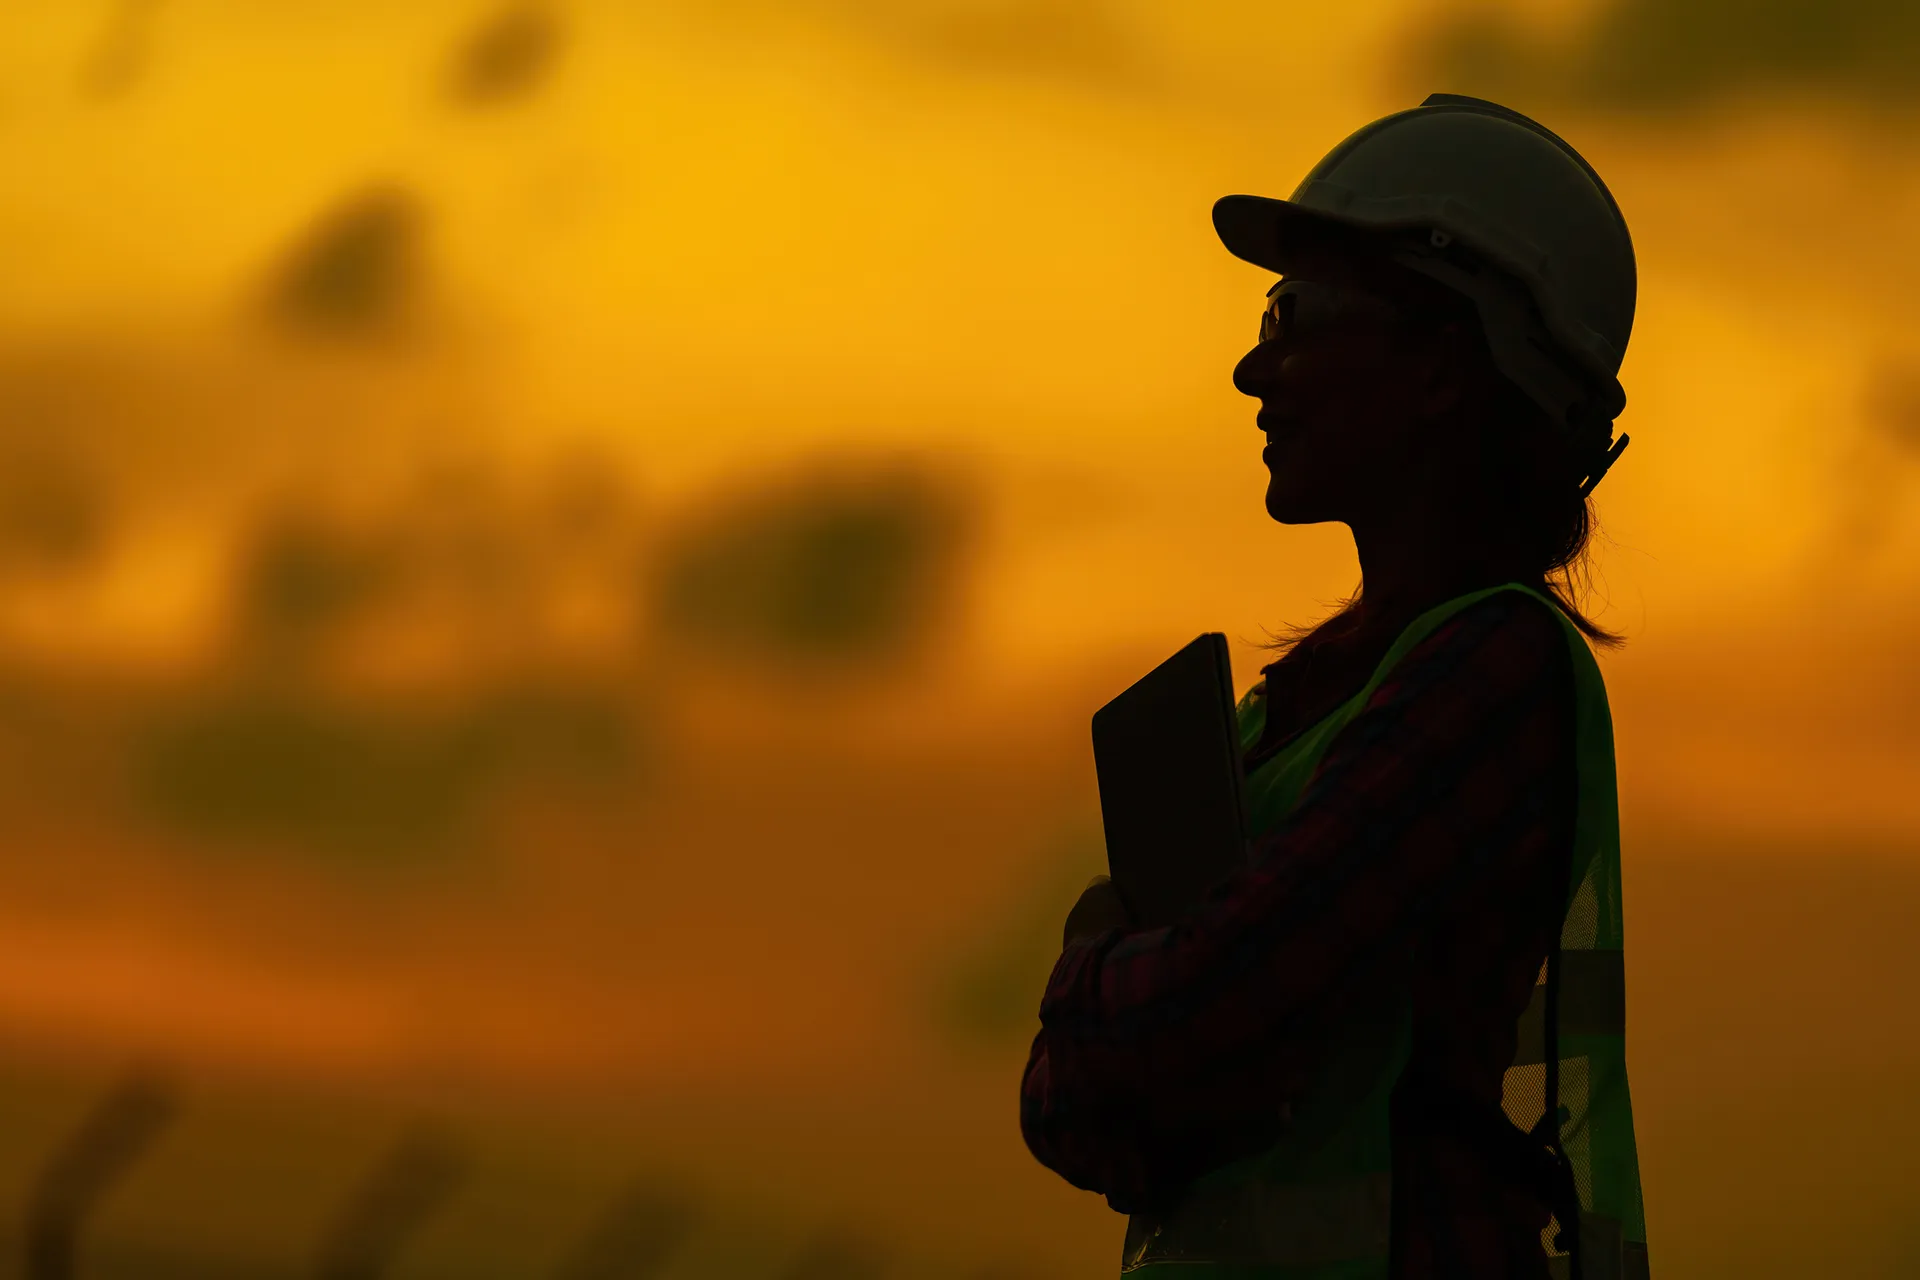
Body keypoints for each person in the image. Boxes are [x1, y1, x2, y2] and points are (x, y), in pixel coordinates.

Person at [1019, 95, 1650, 1280]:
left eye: (1295, 314)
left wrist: (1088, 962)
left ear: (1442, 365)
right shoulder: (1295, 708)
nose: (1256, 364)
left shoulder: (1493, 672)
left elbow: (1212, 1002)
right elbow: (1069, 1112)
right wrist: (1130, 1015)